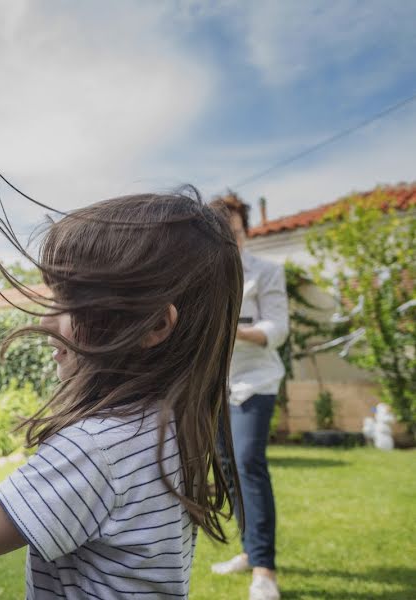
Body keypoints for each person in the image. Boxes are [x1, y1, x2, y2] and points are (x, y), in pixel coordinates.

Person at [0, 188, 244, 599]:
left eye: (70, 301)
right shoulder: (166, 428)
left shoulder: (99, 448)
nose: (46, 318)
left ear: (154, 325)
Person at [209, 192, 288, 600]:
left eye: (235, 232)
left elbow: (277, 330)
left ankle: (265, 571)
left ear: (245, 231)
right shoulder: (205, 278)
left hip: (257, 382)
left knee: (247, 462)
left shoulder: (266, 272)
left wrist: (230, 329)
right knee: (227, 469)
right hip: (218, 386)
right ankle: (248, 549)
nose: (230, 240)